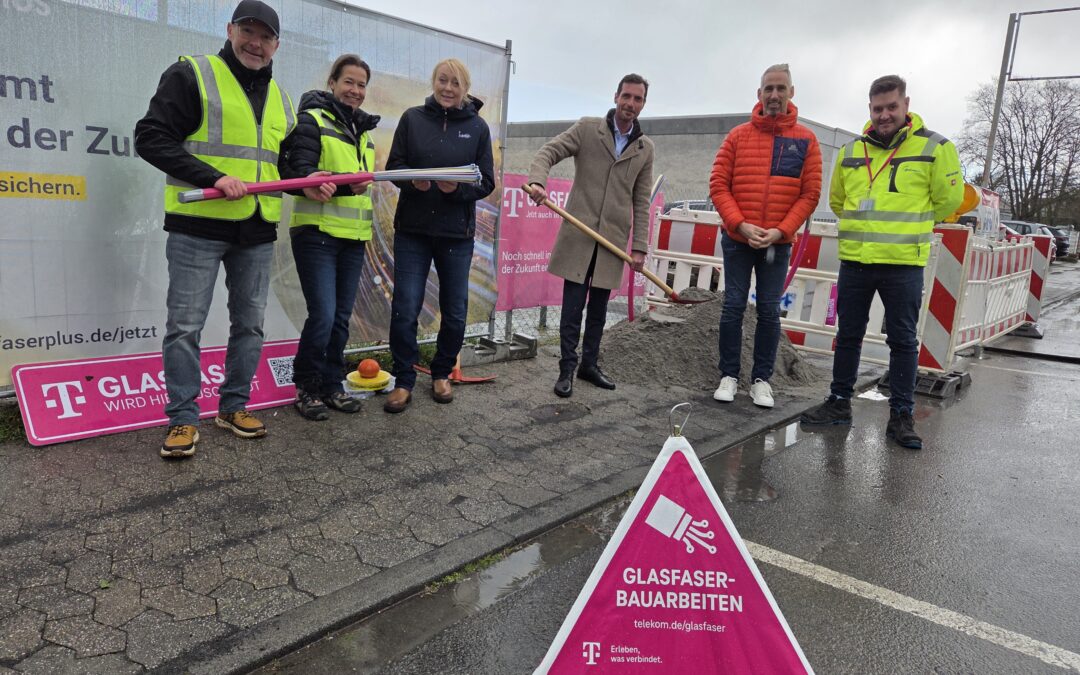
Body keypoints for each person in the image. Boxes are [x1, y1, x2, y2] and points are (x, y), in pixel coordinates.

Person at [135, 0, 295, 458]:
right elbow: (150, 137)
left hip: (256, 229)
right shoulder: (192, 75)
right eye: (248, 31)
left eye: (266, 37)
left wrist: (313, 180)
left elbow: (281, 164)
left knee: (250, 325)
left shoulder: (282, 98)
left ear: (276, 45)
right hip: (197, 226)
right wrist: (213, 177)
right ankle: (183, 418)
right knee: (185, 326)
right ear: (229, 30)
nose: (256, 43)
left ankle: (233, 406)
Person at [800, 75, 963, 450]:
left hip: (903, 263)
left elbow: (948, 201)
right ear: (869, 109)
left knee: (903, 341)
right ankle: (839, 403)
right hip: (856, 261)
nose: (884, 115)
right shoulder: (852, 150)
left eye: (891, 107)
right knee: (848, 336)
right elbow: (838, 201)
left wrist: (905, 227)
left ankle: (901, 416)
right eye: (878, 109)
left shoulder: (935, 148)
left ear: (906, 104)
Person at [526, 74, 655, 398]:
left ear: (643, 104)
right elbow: (548, 152)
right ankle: (566, 369)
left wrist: (639, 247)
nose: (630, 103)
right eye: (626, 96)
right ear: (616, 96)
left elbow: (641, 201)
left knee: (598, 311)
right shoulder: (587, 129)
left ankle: (589, 365)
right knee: (572, 309)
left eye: (638, 99)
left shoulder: (644, 149)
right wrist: (538, 181)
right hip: (579, 235)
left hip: (612, 242)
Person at [382, 58, 495, 414]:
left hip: (456, 234)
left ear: (465, 89)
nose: (448, 88)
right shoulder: (412, 119)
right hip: (413, 231)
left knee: (456, 310)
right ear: (433, 82)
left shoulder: (477, 128)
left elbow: (485, 182)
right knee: (405, 308)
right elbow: (394, 167)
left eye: (455, 83)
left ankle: (442, 373)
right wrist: (411, 181)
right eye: (443, 80)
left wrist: (456, 190)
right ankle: (403, 379)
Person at [709, 64, 822, 408]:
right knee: (733, 305)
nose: (774, 95)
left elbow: (810, 194)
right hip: (738, 240)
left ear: (791, 92)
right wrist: (739, 224)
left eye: (780, 88)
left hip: (777, 243)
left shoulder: (806, 141)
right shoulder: (737, 137)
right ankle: (729, 375)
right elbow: (718, 185)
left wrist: (780, 231)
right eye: (768, 89)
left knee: (770, 310)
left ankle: (761, 380)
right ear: (759, 94)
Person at [278, 54, 379, 421]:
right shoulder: (312, 120)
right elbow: (296, 171)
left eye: (361, 84)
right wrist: (330, 184)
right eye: (349, 82)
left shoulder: (365, 132)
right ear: (332, 83)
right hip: (317, 233)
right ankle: (306, 387)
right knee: (322, 314)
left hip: (353, 237)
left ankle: (332, 384)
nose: (355, 90)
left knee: (339, 318)